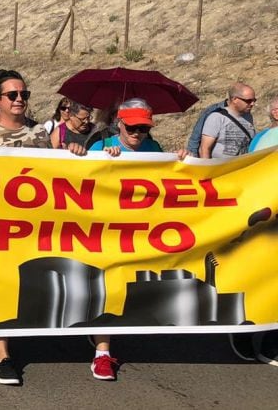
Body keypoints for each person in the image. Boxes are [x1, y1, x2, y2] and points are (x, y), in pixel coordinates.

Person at [0, 70, 86, 385]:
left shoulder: (38, 134)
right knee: (1, 287)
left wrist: (71, 155)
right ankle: (3, 356)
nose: (20, 99)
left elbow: (52, 176)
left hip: (31, 228)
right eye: (12, 95)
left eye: (24, 94)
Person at [87, 98, 188, 381]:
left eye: (143, 128)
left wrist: (181, 161)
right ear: (119, 123)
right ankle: (102, 354)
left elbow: (168, 180)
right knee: (107, 287)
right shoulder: (100, 146)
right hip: (106, 231)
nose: (136, 134)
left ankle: (102, 337)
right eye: (131, 127)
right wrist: (102, 159)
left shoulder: (153, 149)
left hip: (141, 231)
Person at [200, 83, 256, 159]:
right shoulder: (216, 117)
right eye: (248, 101)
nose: (252, 104)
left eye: (254, 100)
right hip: (221, 168)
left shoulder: (248, 117)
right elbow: (204, 149)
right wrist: (207, 169)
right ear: (235, 99)